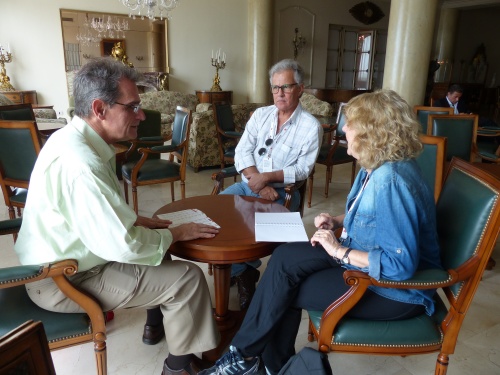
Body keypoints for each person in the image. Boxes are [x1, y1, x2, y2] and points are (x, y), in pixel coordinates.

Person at [199, 89, 442, 375]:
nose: (344, 129)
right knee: (285, 258)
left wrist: (339, 250)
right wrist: (338, 221)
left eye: (350, 123)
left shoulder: (390, 181)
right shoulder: (376, 166)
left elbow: (399, 266)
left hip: (393, 293)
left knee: (286, 288)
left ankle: (250, 362)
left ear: (371, 131)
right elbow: (375, 218)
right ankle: (250, 360)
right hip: (362, 259)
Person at [14, 58, 220, 375]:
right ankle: (176, 368)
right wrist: (176, 234)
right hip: (62, 279)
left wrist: (138, 219)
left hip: (65, 260)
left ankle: (157, 326)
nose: (141, 116)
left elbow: (94, 214)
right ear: (100, 109)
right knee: (188, 279)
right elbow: (123, 245)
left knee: (158, 247)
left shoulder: (75, 139)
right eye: (133, 106)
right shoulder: (82, 164)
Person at [219, 59, 323, 310]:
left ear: (300, 88)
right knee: (218, 214)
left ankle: (241, 272)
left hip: (283, 193)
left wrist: (268, 178)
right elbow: (242, 151)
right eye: (275, 88)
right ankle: (245, 270)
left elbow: (302, 169)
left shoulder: (311, 127)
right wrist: (257, 180)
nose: (279, 93)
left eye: (286, 87)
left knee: (252, 227)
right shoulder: (261, 115)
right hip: (249, 183)